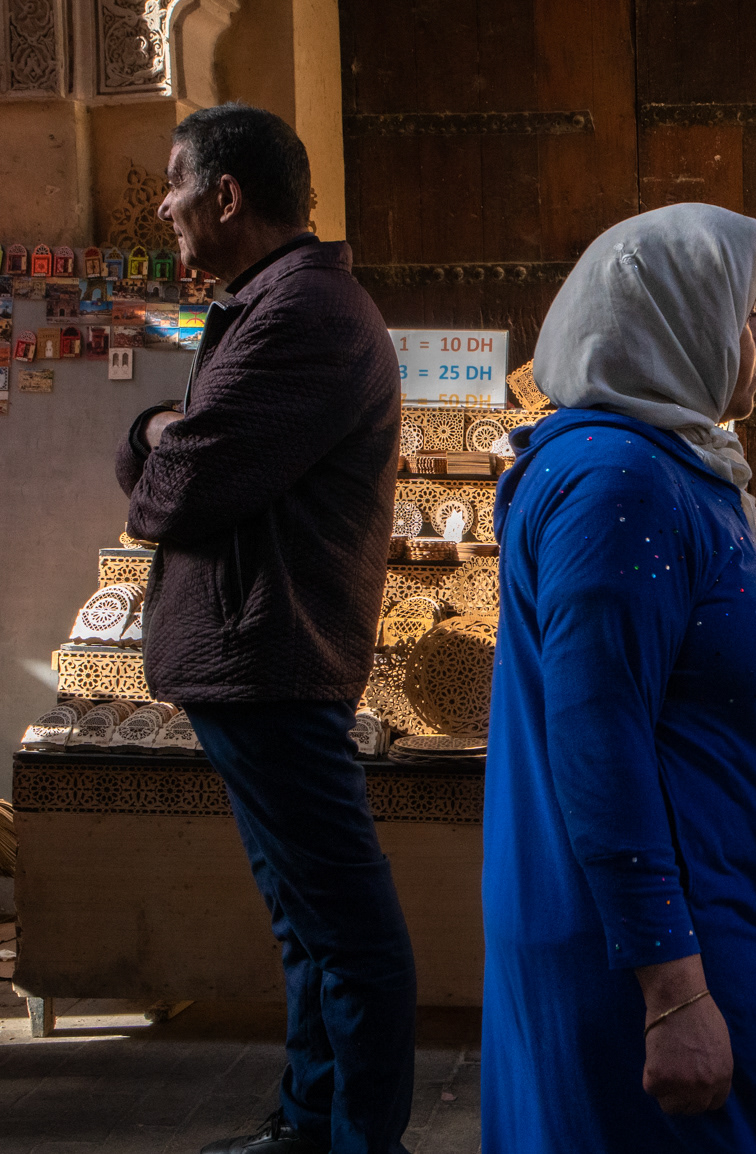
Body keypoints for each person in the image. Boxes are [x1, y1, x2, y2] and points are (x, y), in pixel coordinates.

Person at [482, 202, 756, 1152]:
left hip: (704, 907)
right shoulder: (620, 481)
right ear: (670, 323)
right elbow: (596, 739)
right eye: (743, 313)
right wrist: (674, 989)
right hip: (666, 937)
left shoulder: (665, 464)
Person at [115, 103, 412, 1154]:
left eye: (174, 185)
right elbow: (182, 470)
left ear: (226, 196)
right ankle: (310, 1121)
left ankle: (360, 1137)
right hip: (256, 657)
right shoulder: (276, 305)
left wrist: (155, 434)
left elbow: (172, 490)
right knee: (308, 922)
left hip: (272, 655)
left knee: (350, 931)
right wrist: (164, 438)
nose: (164, 206)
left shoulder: (300, 316)